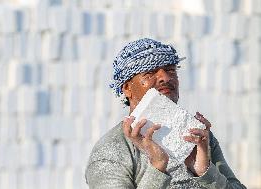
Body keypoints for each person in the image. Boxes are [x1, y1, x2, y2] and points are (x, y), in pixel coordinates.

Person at [85, 38, 246, 188]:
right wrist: (157, 166)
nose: (165, 77)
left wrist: (205, 171)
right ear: (127, 88)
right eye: (150, 72)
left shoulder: (197, 138)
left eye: (170, 70)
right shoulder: (112, 150)